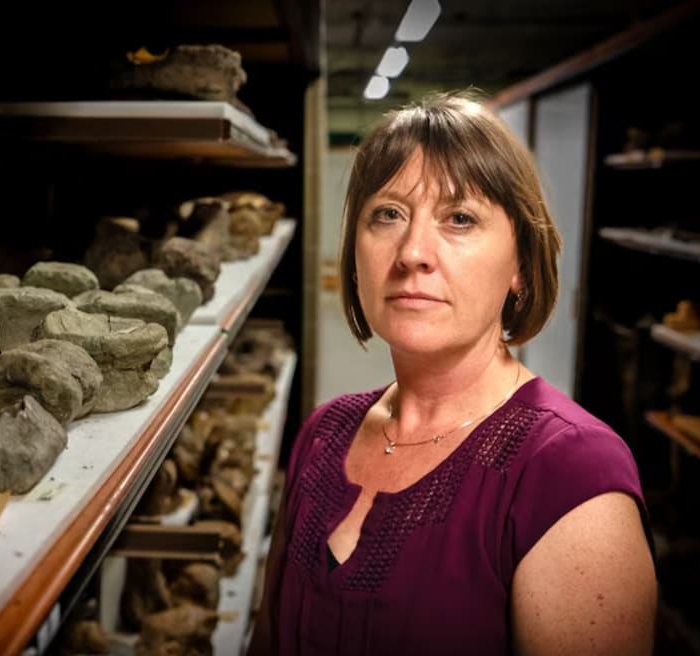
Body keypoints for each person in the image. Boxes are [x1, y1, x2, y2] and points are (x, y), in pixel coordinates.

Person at [247, 90, 656, 655]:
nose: (412, 252)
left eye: (459, 218)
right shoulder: (324, 433)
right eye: (387, 214)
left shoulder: (571, 474)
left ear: (520, 265)